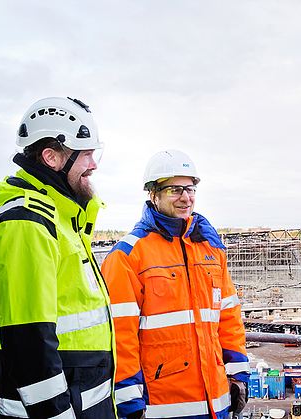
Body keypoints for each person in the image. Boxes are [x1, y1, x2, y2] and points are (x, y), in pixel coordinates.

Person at [0, 97, 117, 419]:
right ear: (51, 157)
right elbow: (29, 344)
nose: (93, 164)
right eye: (86, 154)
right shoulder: (25, 224)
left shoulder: (58, 216)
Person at [102, 149, 250, 419]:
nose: (186, 197)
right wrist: (128, 400)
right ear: (153, 194)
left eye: (190, 188)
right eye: (175, 189)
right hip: (162, 406)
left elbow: (228, 317)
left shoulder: (210, 248)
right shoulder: (127, 256)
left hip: (216, 403)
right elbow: (118, 336)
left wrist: (238, 374)